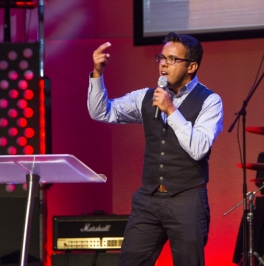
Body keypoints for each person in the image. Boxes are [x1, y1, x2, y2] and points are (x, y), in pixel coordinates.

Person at [87, 32, 223, 266]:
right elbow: (101, 112)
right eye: (161, 58)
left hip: (186, 198)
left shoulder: (210, 101)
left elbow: (199, 148)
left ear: (191, 66)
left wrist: (171, 110)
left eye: (172, 59)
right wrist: (98, 75)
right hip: (148, 199)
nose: (163, 64)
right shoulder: (146, 97)